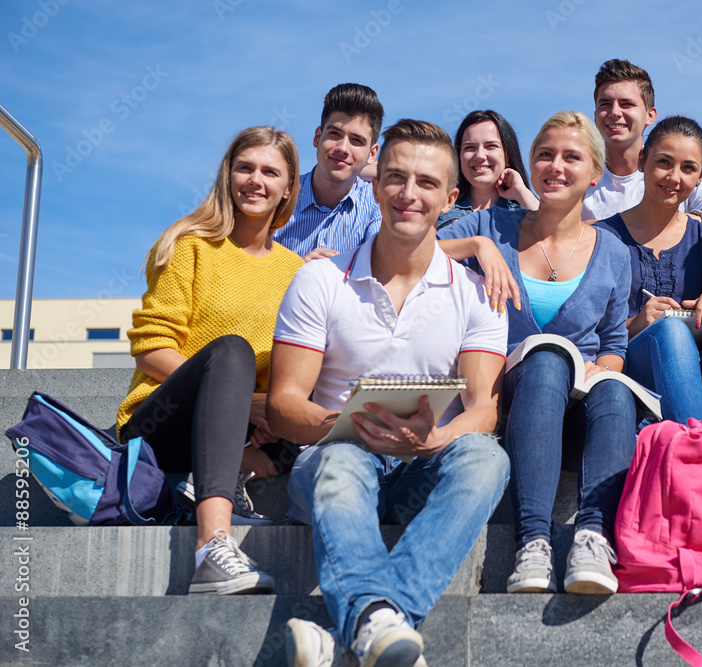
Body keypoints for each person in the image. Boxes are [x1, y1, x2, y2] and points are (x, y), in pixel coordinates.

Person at [269, 119, 509, 667]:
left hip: (419, 468)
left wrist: (436, 439)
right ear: (375, 188)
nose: (408, 194)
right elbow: (284, 403)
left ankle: (363, 623)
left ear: (450, 197)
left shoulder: (476, 295)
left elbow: (484, 408)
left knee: (485, 457)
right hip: (335, 465)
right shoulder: (320, 280)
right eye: (395, 178)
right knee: (341, 458)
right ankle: (379, 619)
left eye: (426, 183)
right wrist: (347, 427)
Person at [438, 111, 636, 596]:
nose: (555, 166)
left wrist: (600, 369)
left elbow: (614, 343)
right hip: (509, 395)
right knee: (546, 359)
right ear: (530, 163)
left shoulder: (613, 252)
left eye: (572, 157)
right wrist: (478, 243)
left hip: (577, 410)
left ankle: (592, 534)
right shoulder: (491, 223)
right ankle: (534, 542)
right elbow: (407, 251)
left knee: (615, 387)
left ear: (594, 174)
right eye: (545, 155)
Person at [116, 126, 305, 595]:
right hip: (162, 423)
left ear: (288, 187)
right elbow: (151, 346)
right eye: (245, 167)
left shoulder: (298, 272)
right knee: (232, 349)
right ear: (228, 174)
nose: (256, 180)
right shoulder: (190, 245)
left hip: (242, 425)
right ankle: (211, 546)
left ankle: (231, 468)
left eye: (270, 172)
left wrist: (263, 406)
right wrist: (244, 402)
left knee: (321, 401)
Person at [596, 116, 702, 422]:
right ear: (642, 162)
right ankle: (701, 441)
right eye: (664, 162)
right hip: (633, 365)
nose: (673, 177)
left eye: (688, 168)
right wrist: (635, 324)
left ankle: (669, 421)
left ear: (701, 177)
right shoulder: (603, 238)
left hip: (701, 365)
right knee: (671, 330)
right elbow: (586, 330)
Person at [582, 58, 702, 235]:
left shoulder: (686, 169)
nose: (615, 112)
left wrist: (697, 222)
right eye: (605, 104)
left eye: (626, 104)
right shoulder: (577, 173)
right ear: (595, 115)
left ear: (650, 115)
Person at [274, 82, 384, 260]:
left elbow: (384, 276)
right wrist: (298, 273)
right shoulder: (278, 198)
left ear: (372, 154)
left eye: (356, 140)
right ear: (317, 137)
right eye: (335, 134)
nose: (343, 148)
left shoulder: (378, 207)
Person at [437, 109, 539, 229]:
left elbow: (555, 232)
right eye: (470, 147)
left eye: (491, 146)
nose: (480, 155)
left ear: (508, 157)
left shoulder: (524, 210)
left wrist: (521, 193)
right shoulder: (441, 210)